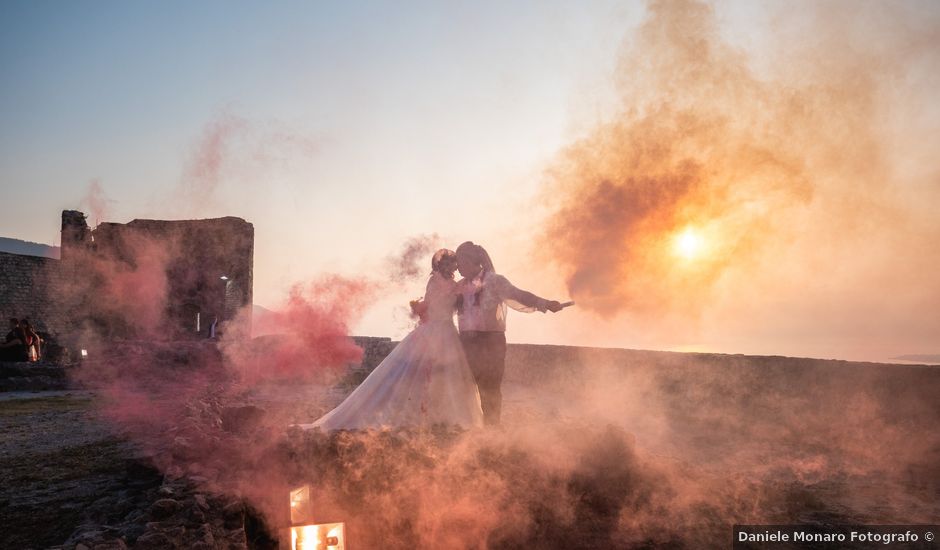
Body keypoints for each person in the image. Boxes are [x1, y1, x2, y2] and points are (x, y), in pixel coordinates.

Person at [300, 249, 483, 431]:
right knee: (417, 374)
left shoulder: (455, 283)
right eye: (451, 262)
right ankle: (422, 416)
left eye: (454, 262)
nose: (455, 265)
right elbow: (431, 304)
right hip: (434, 331)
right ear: (442, 264)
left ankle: (443, 419)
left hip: (448, 332)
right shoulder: (435, 280)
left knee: (448, 377)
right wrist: (432, 303)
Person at [455, 241, 564, 426]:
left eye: (461, 261)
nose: (458, 266)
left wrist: (545, 303)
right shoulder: (458, 286)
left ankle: (492, 429)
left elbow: (520, 295)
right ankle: (469, 428)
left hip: (491, 341)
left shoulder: (495, 281)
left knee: (490, 387)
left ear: (475, 263)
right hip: (466, 341)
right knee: (464, 386)